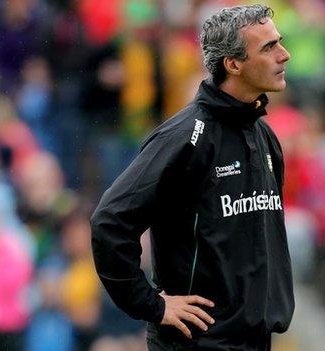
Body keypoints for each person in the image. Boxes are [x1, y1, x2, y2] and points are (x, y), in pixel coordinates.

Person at [90, 5, 294, 350]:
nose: (284, 55)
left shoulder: (265, 136)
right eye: (269, 47)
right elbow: (110, 222)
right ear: (233, 64)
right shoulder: (185, 137)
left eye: (279, 43)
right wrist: (152, 304)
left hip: (256, 341)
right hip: (197, 344)